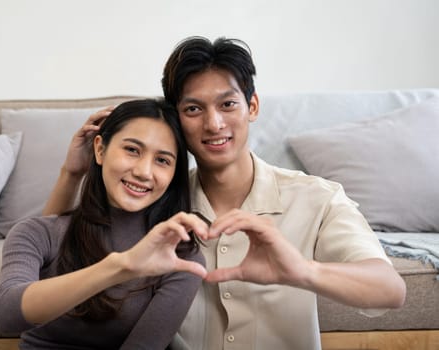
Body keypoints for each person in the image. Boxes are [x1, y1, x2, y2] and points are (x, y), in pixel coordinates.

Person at [44, 37, 406, 350]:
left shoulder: (318, 198)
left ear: (252, 106)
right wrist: (72, 172)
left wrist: (302, 271)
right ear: (177, 119)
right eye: (193, 109)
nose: (213, 123)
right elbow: (51, 254)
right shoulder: (155, 196)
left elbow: (389, 289)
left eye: (227, 104)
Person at [0, 98, 207, 350]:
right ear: (100, 150)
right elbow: (6, 314)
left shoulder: (180, 257)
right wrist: (119, 267)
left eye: (163, 160)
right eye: (132, 150)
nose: (144, 171)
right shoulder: (37, 232)